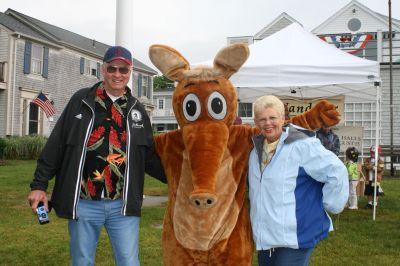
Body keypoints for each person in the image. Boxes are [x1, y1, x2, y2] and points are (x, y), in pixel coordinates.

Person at [27, 46, 166, 266]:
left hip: (123, 204)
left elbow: (148, 157)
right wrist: (39, 185)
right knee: (82, 261)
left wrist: (179, 180)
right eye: (112, 68)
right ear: (103, 69)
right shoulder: (81, 100)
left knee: (129, 261)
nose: (117, 74)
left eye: (123, 69)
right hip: (84, 202)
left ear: (130, 72)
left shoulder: (136, 109)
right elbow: (57, 145)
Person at [248, 95, 348, 266]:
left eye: (272, 117)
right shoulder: (255, 152)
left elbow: (336, 171)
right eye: (262, 119)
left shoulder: (303, 145)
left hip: (295, 236)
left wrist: (328, 204)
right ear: (256, 122)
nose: (267, 123)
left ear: (282, 118)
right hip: (266, 236)